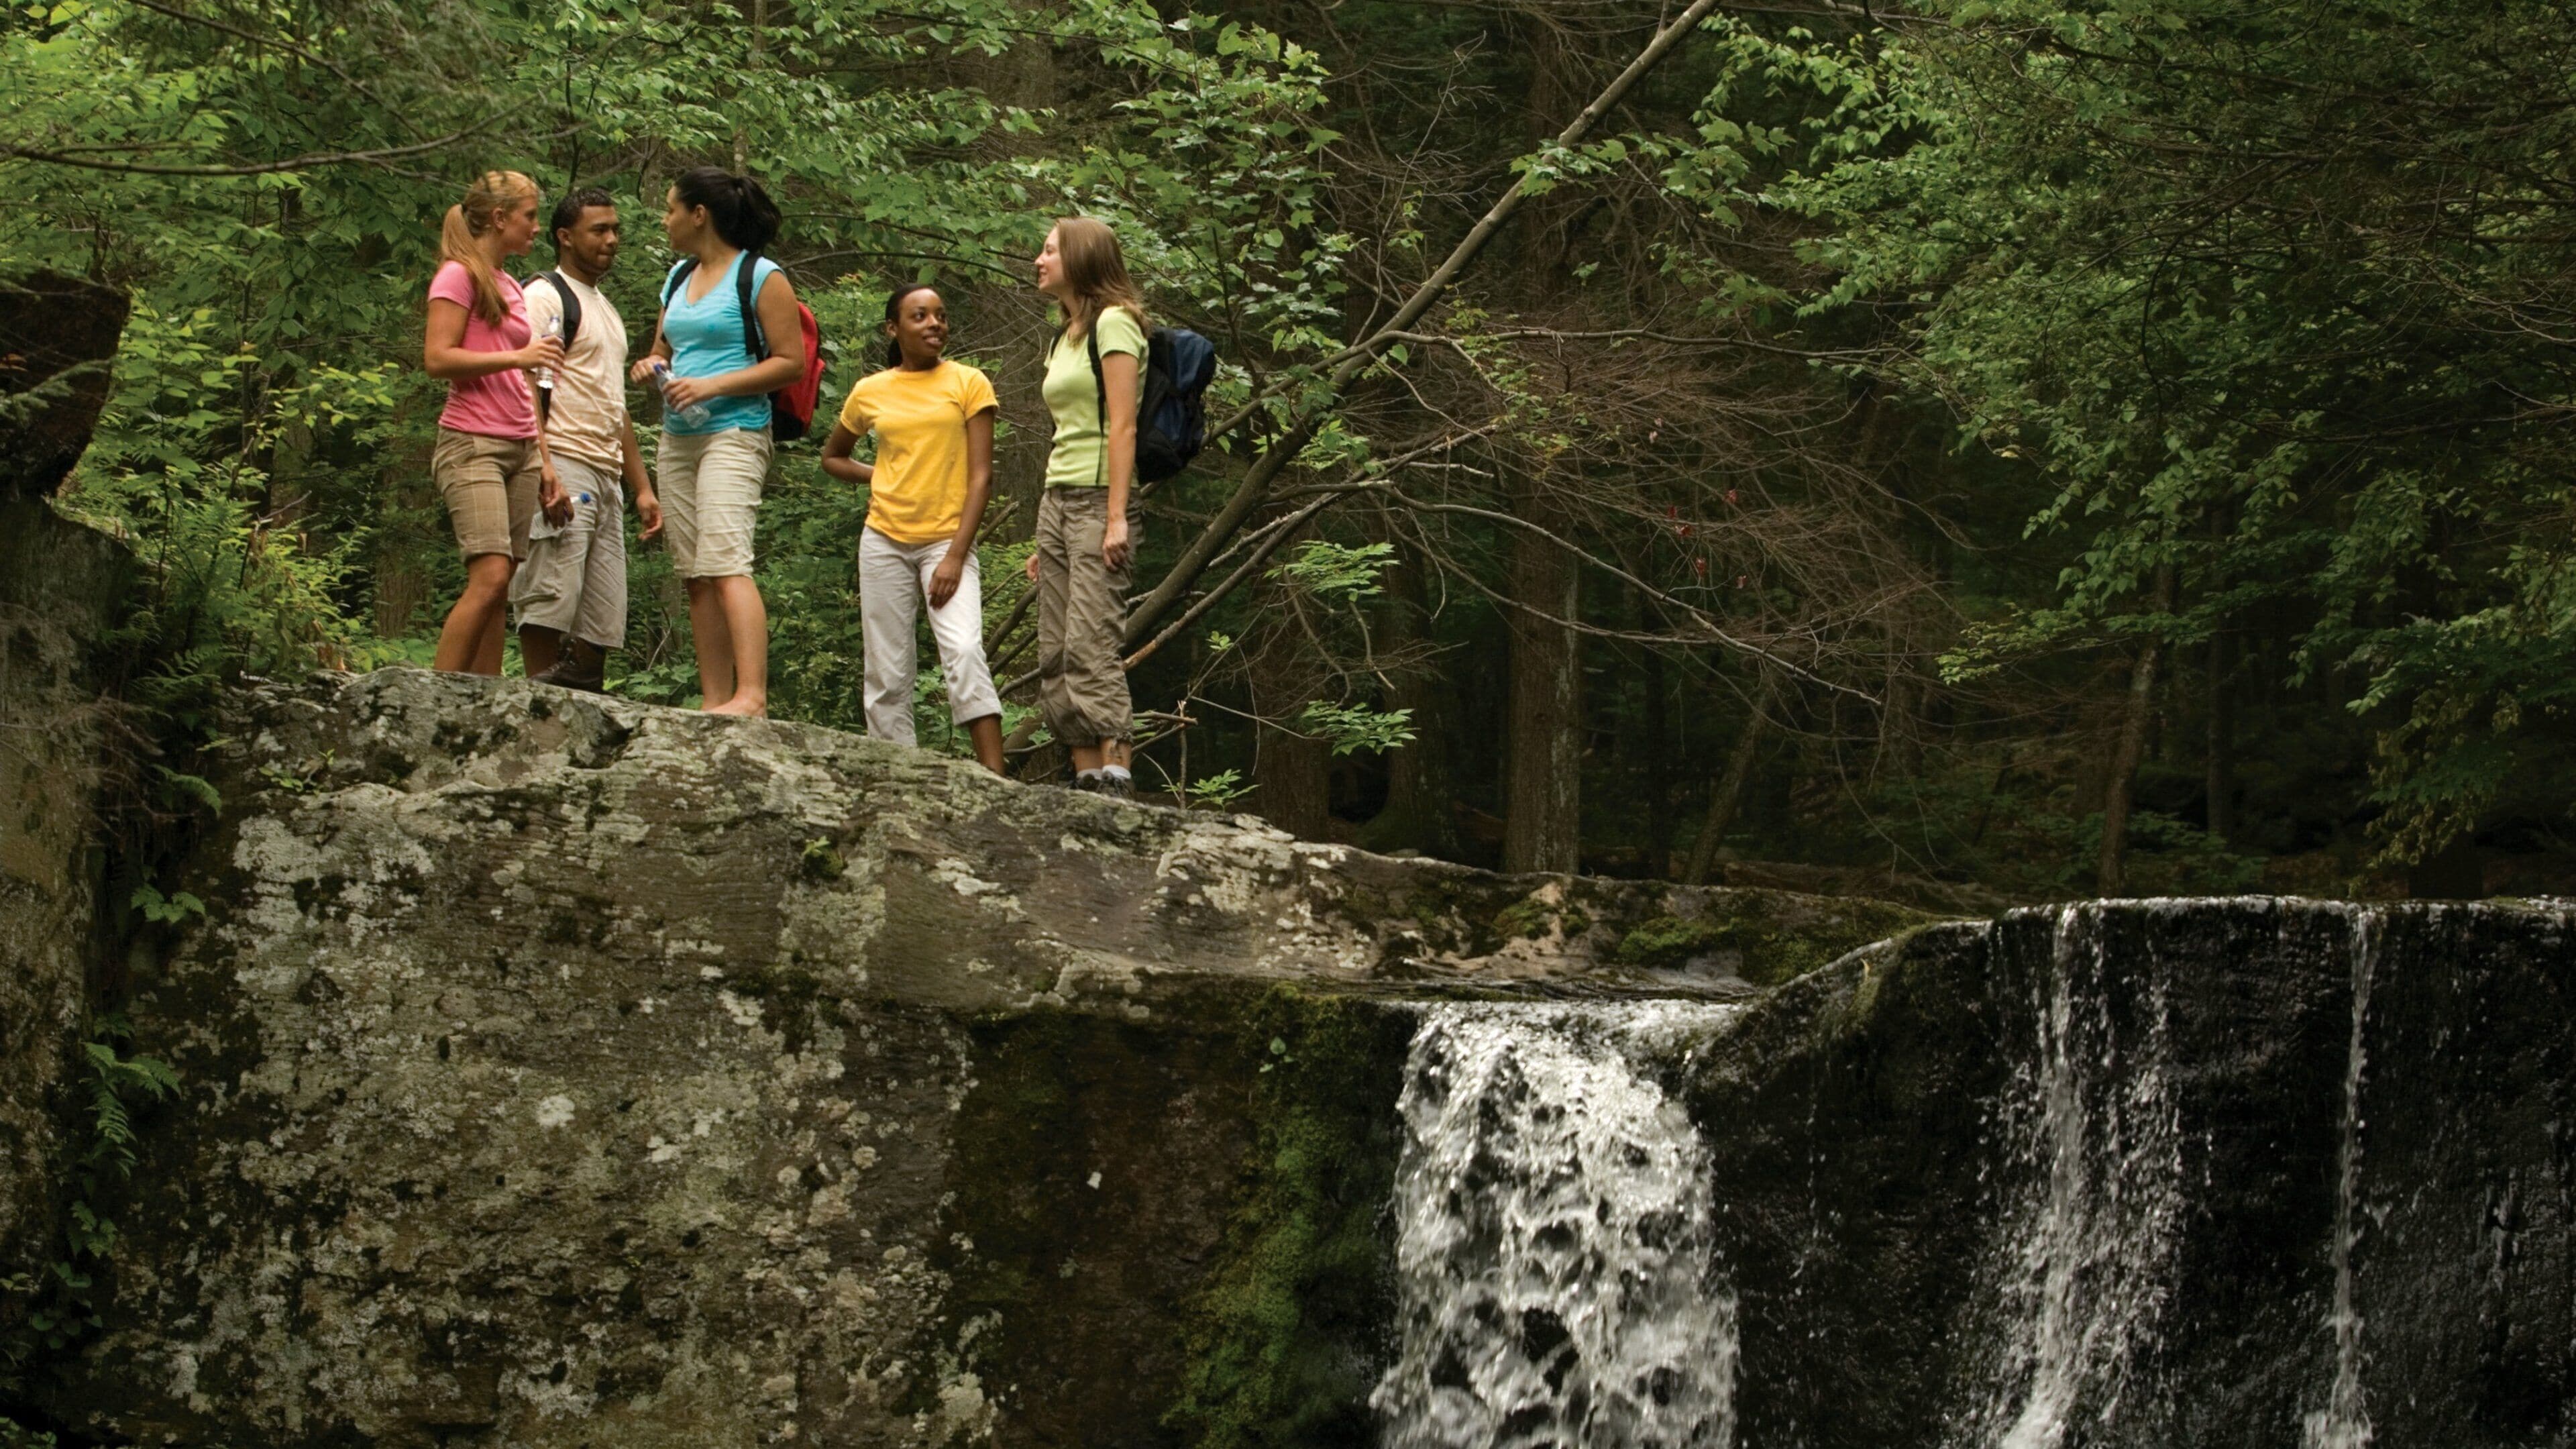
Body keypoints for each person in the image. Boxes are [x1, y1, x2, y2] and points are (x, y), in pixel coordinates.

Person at [629, 167, 804, 717]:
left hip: (735, 432)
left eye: (671, 208)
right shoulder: (678, 277)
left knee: (728, 561)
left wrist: (712, 384)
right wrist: (651, 365)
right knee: (696, 574)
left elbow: (790, 362)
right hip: (678, 438)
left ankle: (751, 696)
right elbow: (663, 347)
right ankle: (714, 701)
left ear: (698, 214)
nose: (666, 219)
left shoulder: (762, 276)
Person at [819, 284, 1005, 772]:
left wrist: (955, 557)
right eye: (920, 316)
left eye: (941, 316)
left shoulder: (968, 382)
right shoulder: (870, 390)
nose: (934, 325)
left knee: (964, 649)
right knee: (886, 670)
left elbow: (981, 476)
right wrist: (876, 475)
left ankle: (997, 779)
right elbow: (833, 457)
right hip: (883, 540)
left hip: (947, 540)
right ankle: (897, 776)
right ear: (893, 328)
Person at [514, 186, 663, 692]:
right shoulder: (544, 296)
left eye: (615, 229)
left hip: (605, 472)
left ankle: (581, 706)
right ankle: (533, 702)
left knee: (601, 610)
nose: (612, 239)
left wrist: (641, 486)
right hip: (564, 458)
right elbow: (523, 383)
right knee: (551, 594)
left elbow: (614, 404)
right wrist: (543, 462)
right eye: (599, 230)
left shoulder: (608, 311)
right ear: (565, 237)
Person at [423, 170, 566, 676]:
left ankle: (485, 696)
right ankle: (433, 696)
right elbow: (438, 358)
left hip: (521, 445)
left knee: (502, 584)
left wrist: (545, 460)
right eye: (529, 216)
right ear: (500, 218)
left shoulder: (507, 282)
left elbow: (525, 376)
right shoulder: (457, 275)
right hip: (472, 442)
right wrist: (519, 355)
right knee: (488, 574)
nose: (536, 227)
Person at [1028, 217, 1146, 797]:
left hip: (1101, 500)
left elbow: (1122, 427)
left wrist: (1118, 516)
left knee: (1091, 644)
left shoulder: (1115, 324)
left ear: (1080, 258)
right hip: (1057, 501)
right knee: (1054, 650)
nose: (1039, 259)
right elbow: (1065, 433)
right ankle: (1086, 780)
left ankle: (1118, 777)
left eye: (1049, 250)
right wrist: (1043, 536)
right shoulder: (1064, 334)